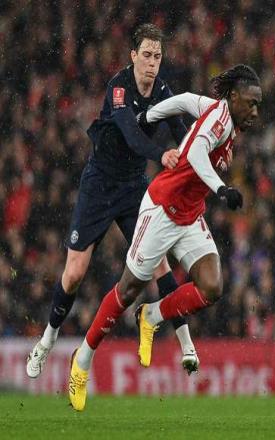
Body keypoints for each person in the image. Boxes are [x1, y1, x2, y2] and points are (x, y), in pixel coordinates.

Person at [67, 64, 262, 411]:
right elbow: (195, 152)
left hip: (189, 214)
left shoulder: (219, 110)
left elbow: (184, 100)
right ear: (234, 98)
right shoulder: (220, 121)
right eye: (251, 103)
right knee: (127, 289)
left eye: (258, 105)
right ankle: (82, 359)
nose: (255, 112)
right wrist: (221, 189)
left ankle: (152, 316)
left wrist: (150, 114)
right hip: (162, 209)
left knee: (212, 286)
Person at [27, 23, 198, 379]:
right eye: (146, 55)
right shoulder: (118, 87)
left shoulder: (163, 92)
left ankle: (187, 345)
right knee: (74, 274)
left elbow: (182, 130)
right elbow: (131, 135)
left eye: (158, 56)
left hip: (133, 188)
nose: (152, 63)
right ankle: (47, 340)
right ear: (133, 56)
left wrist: (201, 152)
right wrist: (161, 154)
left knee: (160, 263)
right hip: (100, 184)